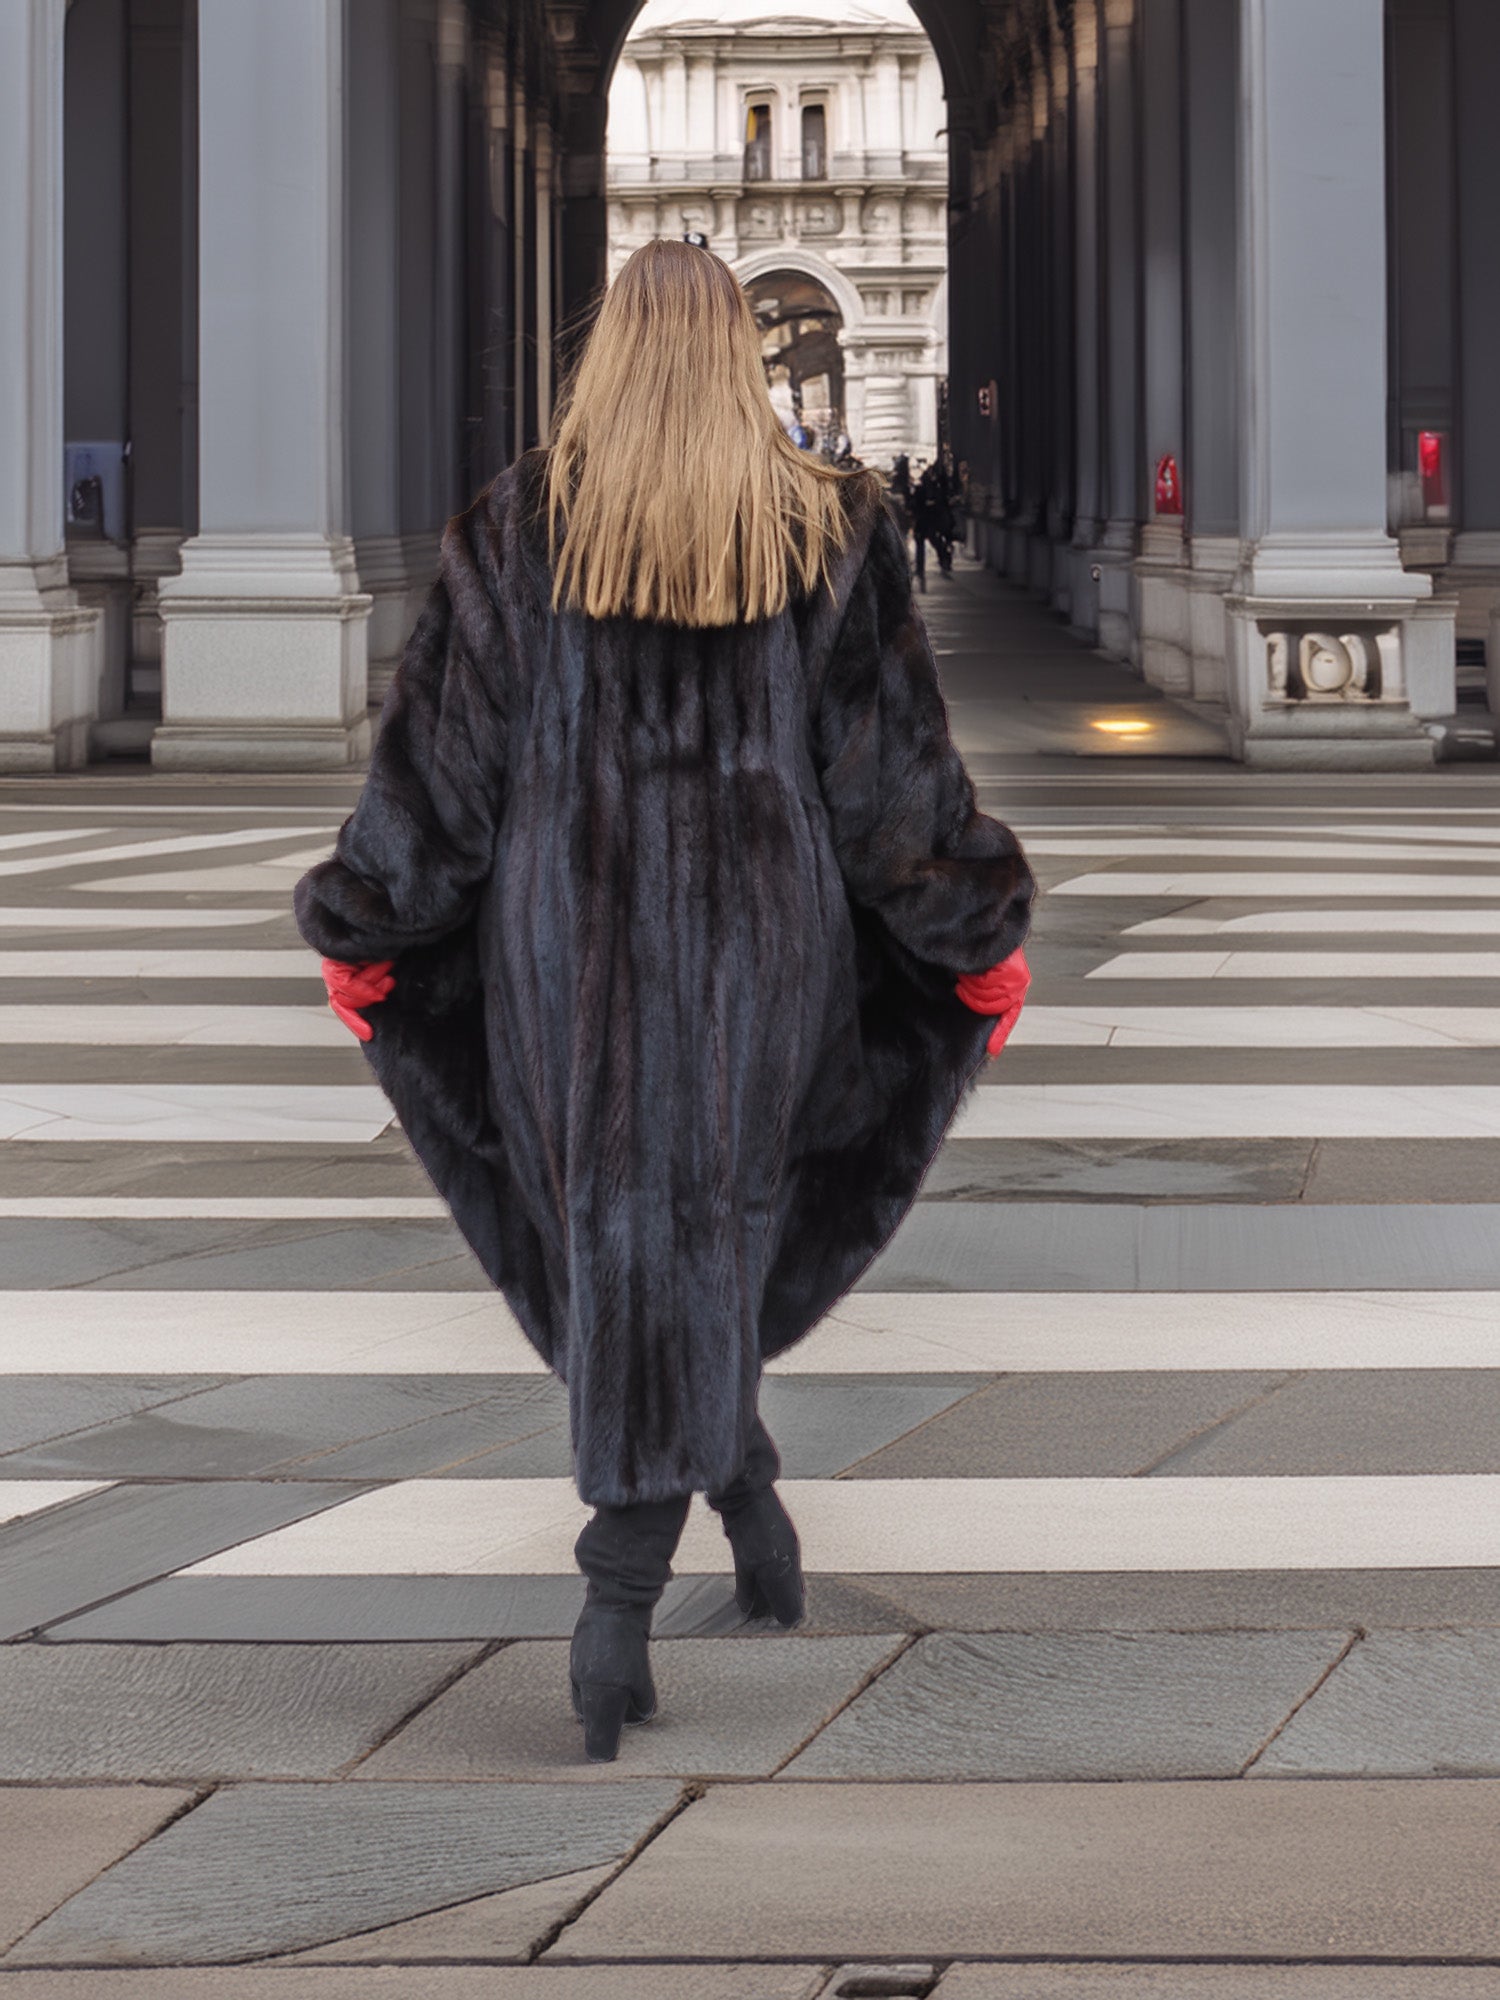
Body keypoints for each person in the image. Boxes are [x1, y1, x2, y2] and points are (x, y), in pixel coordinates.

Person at [296, 240, 1034, 1764]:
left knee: (632, 1238)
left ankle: (617, 1598)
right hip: (765, 965)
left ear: (607, 355)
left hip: (561, 962)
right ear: (739, 361)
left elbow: (441, 783)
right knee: (705, 1232)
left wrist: (367, 915)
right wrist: (969, 925)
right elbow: (890, 787)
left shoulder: (518, 528)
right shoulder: (827, 526)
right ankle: (744, 1513)